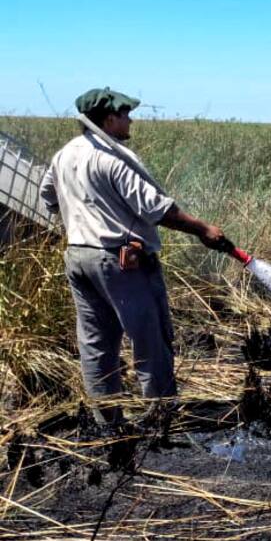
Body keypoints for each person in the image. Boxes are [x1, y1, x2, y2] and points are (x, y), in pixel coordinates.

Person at [39, 87, 227, 424]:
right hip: (121, 263)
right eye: (126, 114)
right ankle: (161, 418)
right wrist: (203, 229)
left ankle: (107, 421)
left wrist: (82, 215)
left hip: (79, 257)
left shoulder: (64, 155)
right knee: (150, 337)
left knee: (96, 341)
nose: (131, 119)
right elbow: (157, 210)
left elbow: (48, 197)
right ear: (110, 119)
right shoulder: (113, 160)